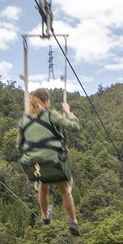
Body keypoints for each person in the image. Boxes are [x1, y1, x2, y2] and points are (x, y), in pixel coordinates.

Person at [17, 88, 81, 236]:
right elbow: (74, 127)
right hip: (53, 160)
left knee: (43, 187)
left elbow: (19, 144)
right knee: (65, 190)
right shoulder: (51, 114)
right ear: (45, 101)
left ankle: (45, 215)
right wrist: (68, 111)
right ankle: (73, 221)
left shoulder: (24, 119)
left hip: (33, 162)